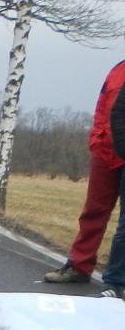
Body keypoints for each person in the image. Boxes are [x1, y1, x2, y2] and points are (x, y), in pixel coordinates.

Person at [43, 57, 125, 297]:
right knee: (93, 211)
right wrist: (96, 138)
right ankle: (79, 265)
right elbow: (102, 106)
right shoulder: (118, 69)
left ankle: (115, 281)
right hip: (105, 149)